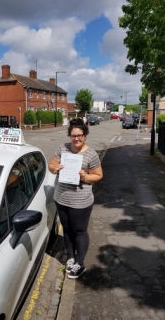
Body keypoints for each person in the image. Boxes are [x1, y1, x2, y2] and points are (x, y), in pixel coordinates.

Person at [48, 118, 103, 279]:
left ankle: (80, 263)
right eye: (73, 136)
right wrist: (55, 168)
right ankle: (71, 257)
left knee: (79, 231)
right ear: (69, 135)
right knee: (66, 229)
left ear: (85, 135)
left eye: (79, 135)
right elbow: (51, 165)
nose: (76, 139)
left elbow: (98, 175)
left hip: (80, 201)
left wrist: (86, 177)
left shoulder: (90, 154)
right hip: (61, 198)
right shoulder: (62, 148)